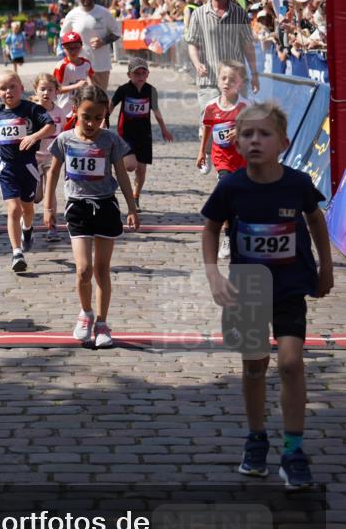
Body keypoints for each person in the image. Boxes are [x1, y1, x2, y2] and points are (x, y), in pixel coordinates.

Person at [201, 102, 333, 489]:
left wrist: (326, 266)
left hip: (290, 284)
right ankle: (256, 438)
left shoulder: (297, 184)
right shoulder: (230, 187)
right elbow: (210, 229)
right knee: (255, 366)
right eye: (247, 134)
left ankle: (293, 449)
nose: (255, 140)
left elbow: (315, 219)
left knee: (291, 363)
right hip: (247, 287)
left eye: (264, 134)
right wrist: (214, 275)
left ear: (284, 143)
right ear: (237, 144)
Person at [43, 84, 139, 347]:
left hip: (106, 205)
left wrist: (132, 207)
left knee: (101, 270)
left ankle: (103, 322)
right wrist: (48, 207)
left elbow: (121, 173)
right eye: (87, 116)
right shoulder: (64, 139)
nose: (92, 123)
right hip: (78, 208)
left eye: (98, 117)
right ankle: (85, 313)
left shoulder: (110, 139)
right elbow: (52, 173)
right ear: (75, 111)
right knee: (83, 269)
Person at [0, 71, 54, 273]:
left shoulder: (32, 109)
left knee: (28, 209)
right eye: (3, 89)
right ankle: (16, 253)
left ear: (21, 89)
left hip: (29, 167)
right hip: (7, 167)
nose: (8, 91)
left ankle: (28, 229)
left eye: (12, 87)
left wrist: (34, 137)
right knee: (14, 210)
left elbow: (50, 126)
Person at [186, 0, 259, 115]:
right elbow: (192, 43)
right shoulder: (198, 14)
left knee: (238, 126)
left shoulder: (240, 14)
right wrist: (197, 64)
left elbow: (248, 46)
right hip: (210, 81)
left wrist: (255, 74)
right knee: (208, 126)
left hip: (236, 80)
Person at [196, 60, 250, 257]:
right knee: (226, 193)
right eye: (224, 78)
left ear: (240, 83)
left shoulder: (245, 106)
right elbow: (207, 129)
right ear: (218, 81)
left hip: (243, 160)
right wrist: (202, 152)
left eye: (232, 79)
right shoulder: (211, 107)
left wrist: (240, 131)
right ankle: (228, 237)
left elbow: (256, 129)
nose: (227, 82)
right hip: (222, 160)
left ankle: (239, 233)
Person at [110, 58, 173, 210]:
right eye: (136, 73)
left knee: (141, 169)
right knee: (131, 166)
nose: (140, 76)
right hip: (126, 134)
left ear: (147, 74)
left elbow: (156, 111)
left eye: (143, 72)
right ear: (129, 75)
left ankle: (135, 197)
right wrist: (102, 122)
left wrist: (164, 129)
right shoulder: (123, 90)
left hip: (144, 134)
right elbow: (110, 107)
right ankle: (116, 166)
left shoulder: (151, 91)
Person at [60, 0, 121, 91]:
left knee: (100, 102)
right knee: (81, 102)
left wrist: (103, 41)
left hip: (100, 66)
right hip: (78, 67)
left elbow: (117, 33)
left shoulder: (104, 13)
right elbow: (64, 37)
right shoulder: (72, 15)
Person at [31, 73, 69, 242]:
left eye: (50, 89)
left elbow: (62, 134)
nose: (46, 93)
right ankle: (27, 219)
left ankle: (52, 227)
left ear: (56, 92)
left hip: (51, 157)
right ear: (36, 90)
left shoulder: (59, 111)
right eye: (42, 89)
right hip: (33, 157)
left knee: (50, 192)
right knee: (37, 197)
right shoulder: (31, 109)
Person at [53, 31, 94, 113]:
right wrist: (76, 86)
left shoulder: (86, 63)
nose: (73, 51)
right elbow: (56, 89)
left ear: (81, 47)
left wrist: (91, 88)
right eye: (69, 48)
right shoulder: (61, 66)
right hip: (65, 109)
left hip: (82, 106)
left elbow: (89, 77)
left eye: (76, 47)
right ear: (63, 48)